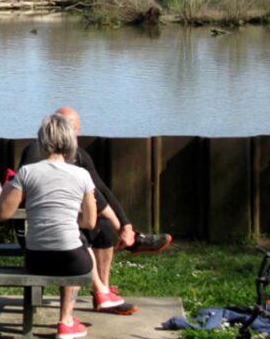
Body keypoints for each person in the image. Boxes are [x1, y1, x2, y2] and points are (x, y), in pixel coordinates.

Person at [19, 106, 173, 314]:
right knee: (77, 233)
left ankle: (104, 293)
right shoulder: (35, 153)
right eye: (71, 129)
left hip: (69, 220)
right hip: (40, 227)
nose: (75, 134)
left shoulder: (79, 156)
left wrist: (125, 223)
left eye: (75, 129)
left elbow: (100, 189)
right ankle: (126, 252)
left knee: (104, 229)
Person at [0, 114, 98, 339]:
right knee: (76, 243)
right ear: (71, 141)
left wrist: (8, 187)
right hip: (72, 260)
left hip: (37, 259)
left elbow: (3, 213)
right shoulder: (82, 175)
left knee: (64, 246)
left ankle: (65, 321)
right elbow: (90, 222)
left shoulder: (27, 172)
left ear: (42, 140)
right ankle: (66, 321)